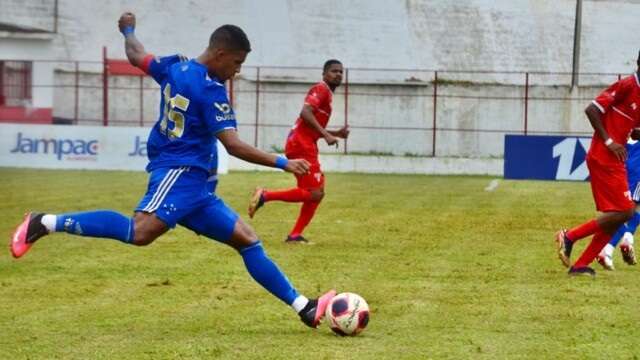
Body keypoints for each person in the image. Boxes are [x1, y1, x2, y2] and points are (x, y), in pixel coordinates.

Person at [9, 12, 336, 328]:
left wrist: (128, 31)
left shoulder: (175, 66)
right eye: (236, 63)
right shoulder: (210, 91)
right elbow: (233, 145)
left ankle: (304, 307)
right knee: (139, 232)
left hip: (197, 188)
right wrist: (283, 162)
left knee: (247, 240)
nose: (236, 72)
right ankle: (45, 222)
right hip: (180, 174)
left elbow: (137, 55)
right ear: (220, 53)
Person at [556, 51, 640, 276]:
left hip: (616, 159)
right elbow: (592, 109)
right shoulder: (627, 85)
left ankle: (581, 265)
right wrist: (610, 140)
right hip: (604, 157)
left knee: (617, 215)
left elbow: (631, 128)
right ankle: (570, 236)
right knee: (626, 211)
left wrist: (634, 132)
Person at [247, 60, 349, 243]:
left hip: (302, 142)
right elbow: (305, 113)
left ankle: (295, 235)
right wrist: (326, 135)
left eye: (341, 72)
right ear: (325, 74)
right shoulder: (321, 89)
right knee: (314, 192)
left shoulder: (327, 95)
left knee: (317, 192)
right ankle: (265, 195)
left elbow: (309, 126)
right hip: (301, 145)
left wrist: (335, 133)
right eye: (334, 71)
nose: (338, 75)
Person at [596, 141, 640, 270]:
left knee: (624, 211)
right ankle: (627, 238)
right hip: (636, 170)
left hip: (620, 169)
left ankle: (607, 251)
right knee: (624, 212)